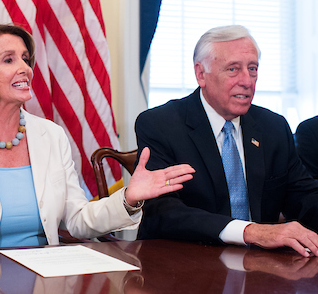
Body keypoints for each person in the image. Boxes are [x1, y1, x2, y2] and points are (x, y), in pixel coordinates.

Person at [0, 24, 195, 249]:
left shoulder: (51, 135)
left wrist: (128, 198)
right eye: (9, 60)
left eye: (26, 59)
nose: (26, 68)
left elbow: (78, 220)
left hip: (47, 277)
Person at [135, 25, 318, 257]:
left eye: (253, 69)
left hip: (261, 267)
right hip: (184, 262)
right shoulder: (160, 124)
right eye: (233, 69)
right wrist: (250, 231)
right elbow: (163, 212)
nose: (247, 81)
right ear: (201, 74)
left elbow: (305, 197)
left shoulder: (273, 127)